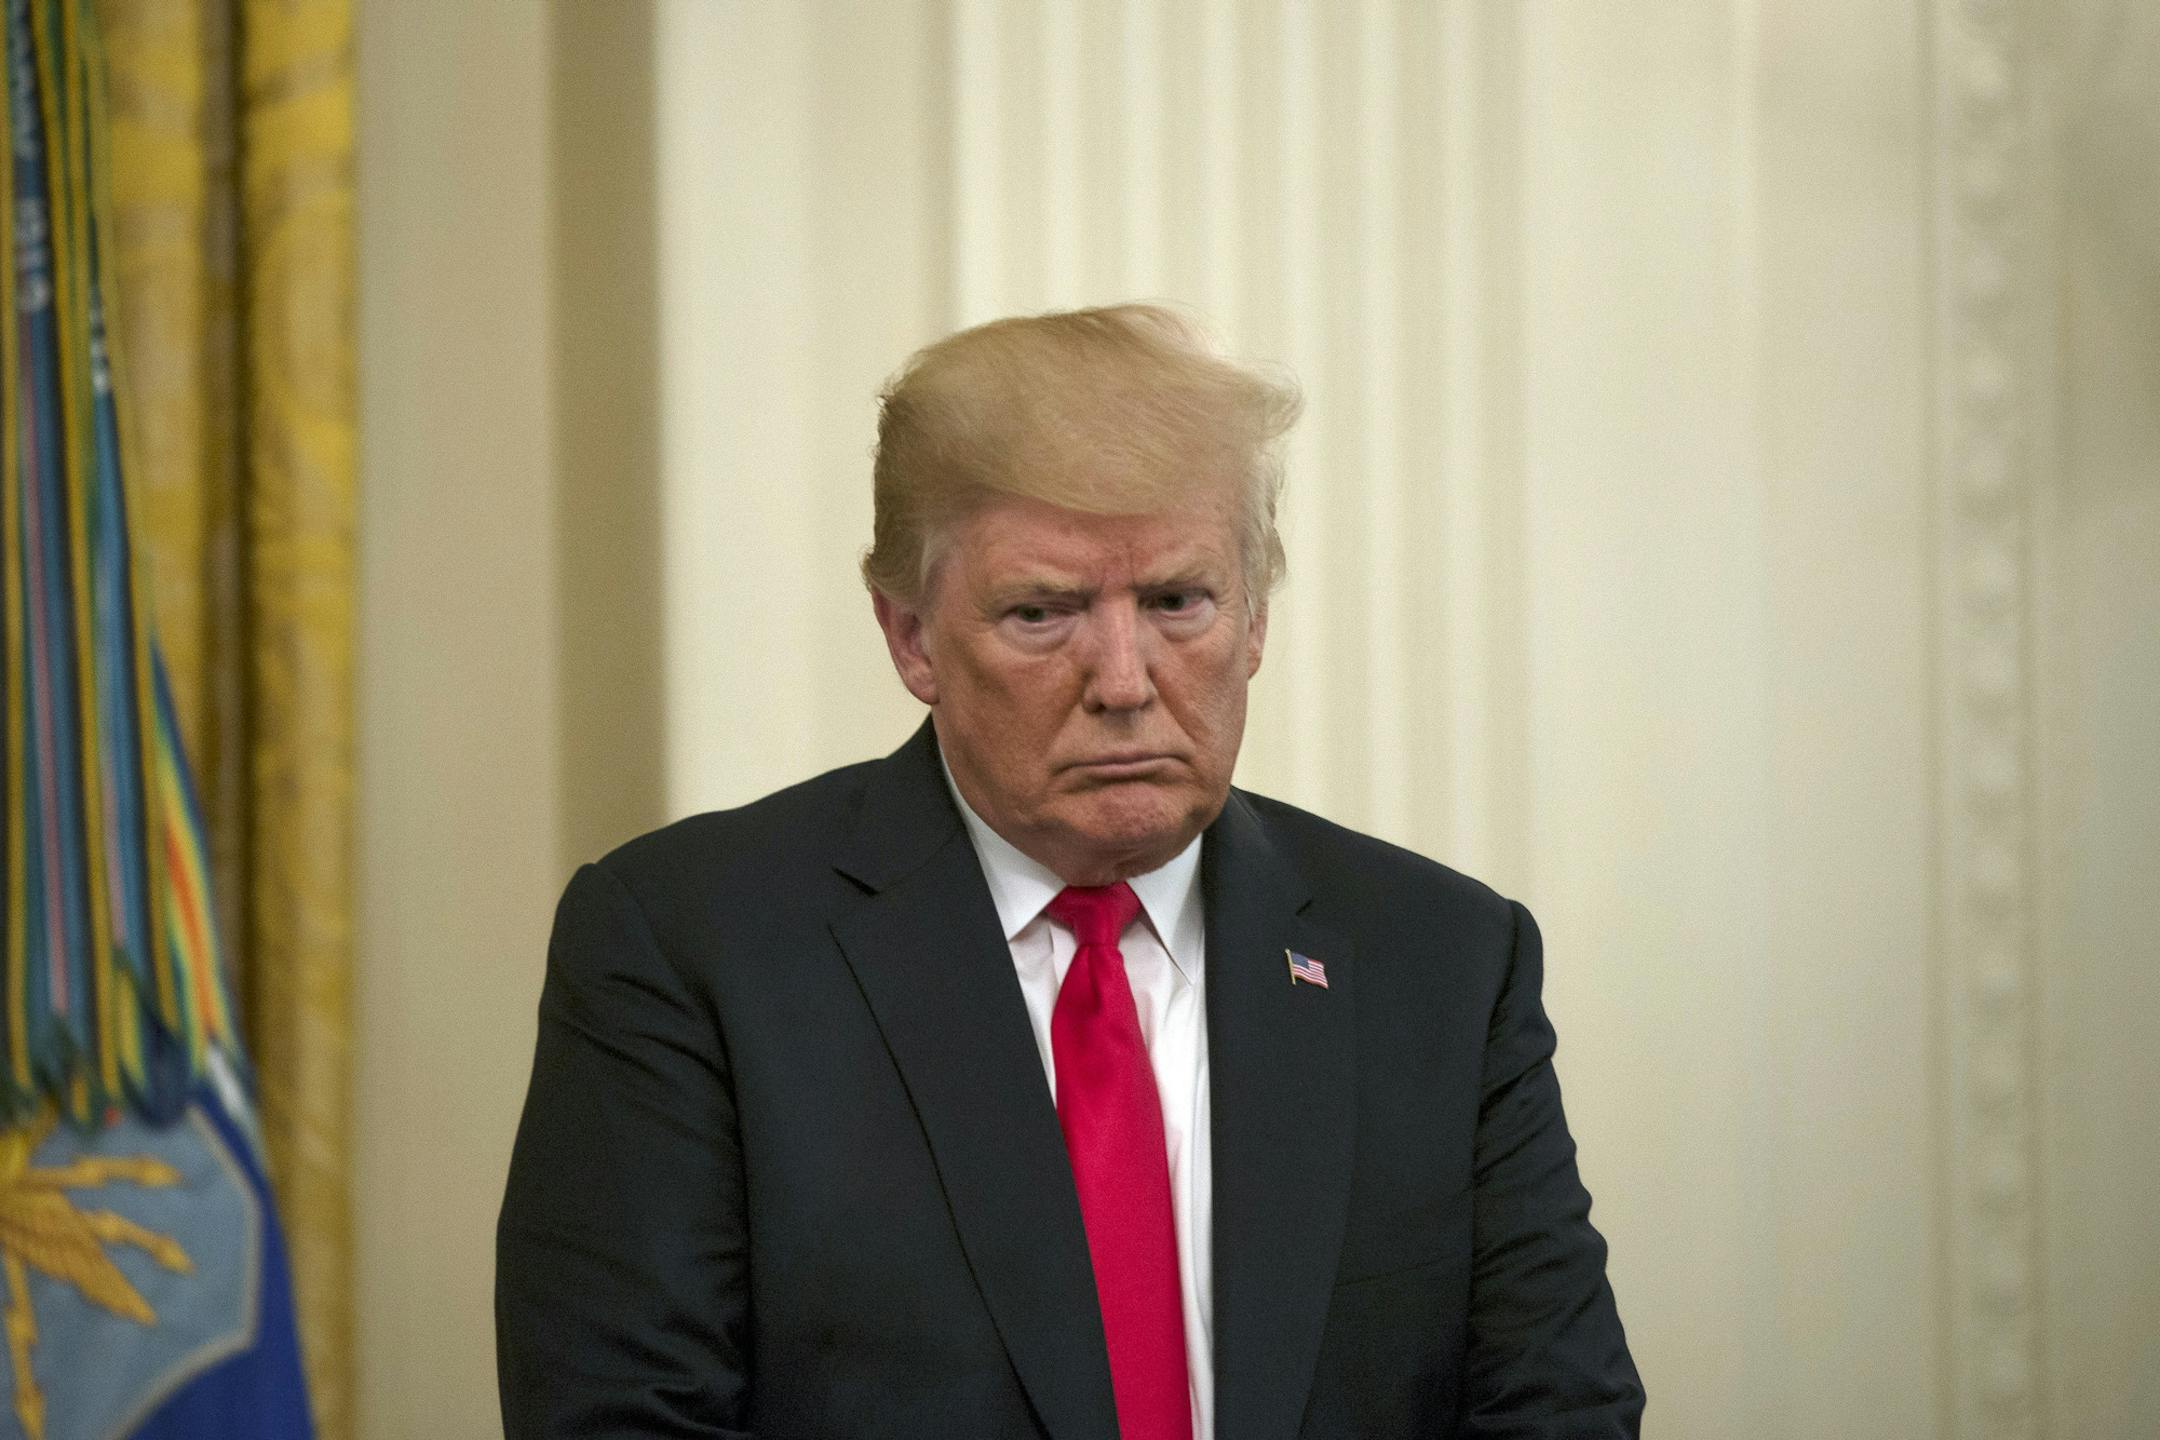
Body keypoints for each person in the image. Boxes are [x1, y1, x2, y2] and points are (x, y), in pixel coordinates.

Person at [495, 305, 1644, 1439]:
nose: (1125, 679)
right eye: (1044, 614)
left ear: (1254, 621)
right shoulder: (688, 947)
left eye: (1177, 602)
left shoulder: (1441, 959)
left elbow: (1560, 1411)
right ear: (909, 636)